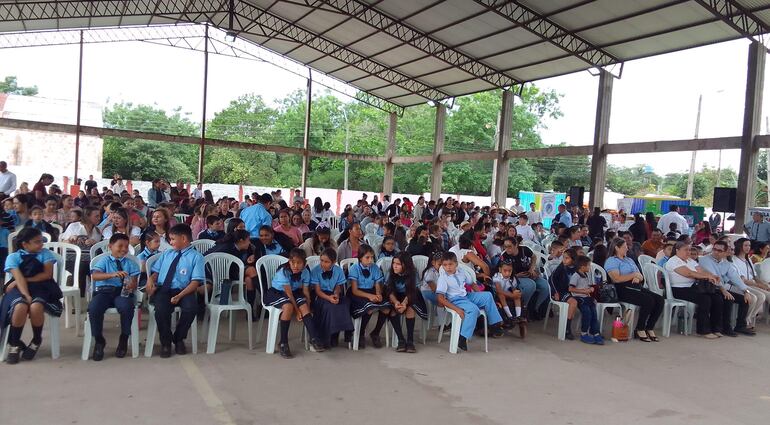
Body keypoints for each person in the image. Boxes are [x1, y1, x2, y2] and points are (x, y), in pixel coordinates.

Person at [1, 228, 62, 364]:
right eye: (37, 242)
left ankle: (36, 339)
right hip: (19, 288)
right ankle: (14, 344)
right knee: (20, 306)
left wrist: (22, 280)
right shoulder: (13, 257)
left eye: (41, 241)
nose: (41, 244)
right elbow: (18, 277)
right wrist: (26, 294)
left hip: (42, 286)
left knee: (36, 306)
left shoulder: (45, 254)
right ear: (25, 244)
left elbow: (46, 275)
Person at [145, 224, 205, 357]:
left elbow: (195, 282)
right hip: (164, 289)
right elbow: (156, 271)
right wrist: (150, 279)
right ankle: (166, 342)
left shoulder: (196, 257)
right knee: (160, 310)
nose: (170, 242)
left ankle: (178, 338)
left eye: (172, 239)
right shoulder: (167, 254)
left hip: (185, 290)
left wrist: (179, 296)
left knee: (191, 309)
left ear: (183, 238)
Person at [262, 248, 324, 358]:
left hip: (295, 292)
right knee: (288, 306)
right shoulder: (283, 271)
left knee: (304, 305)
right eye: (292, 262)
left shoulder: (305, 272)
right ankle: (283, 342)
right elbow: (289, 294)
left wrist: (306, 308)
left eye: (299, 263)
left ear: (304, 264)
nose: (295, 265)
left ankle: (314, 338)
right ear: (289, 261)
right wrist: (297, 312)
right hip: (277, 293)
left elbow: (305, 291)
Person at [436, 251, 504, 351]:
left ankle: (495, 324)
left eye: (450, 264)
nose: (448, 267)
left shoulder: (461, 272)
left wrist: (479, 297)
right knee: (473, 309)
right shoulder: (443, 278)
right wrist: (457, 310)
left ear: (456, 264)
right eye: (445, 265)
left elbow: (472, 284)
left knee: (487, 296)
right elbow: (440, 298)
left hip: (466, 296)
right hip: (455, 300)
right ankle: (462, 338)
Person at [87, 233, 139, 360]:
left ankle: (124, 338)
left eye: (126, 246)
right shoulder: (103, 260)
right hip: (104, 292)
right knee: (94, 308)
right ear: (110, 246)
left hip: (122, 292)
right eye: (120, 246)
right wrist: (112, 275)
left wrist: (130, 285)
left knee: (126, 307)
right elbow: (95, 276)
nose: (123, 249)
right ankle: (99, 340)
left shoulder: (130, 263)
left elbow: (134, 282)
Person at [604, 238, 664, 342]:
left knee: (659, 300)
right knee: (648, 300)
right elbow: (617, 279)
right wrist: (633, 275)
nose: (627, 249)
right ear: (617, 248)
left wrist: (637, 277)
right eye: (624, 247)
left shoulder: (629, 260)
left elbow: (641, 276)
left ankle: (649, 327)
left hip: (636, 286)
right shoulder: (611, 261)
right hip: (622, 289)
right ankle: (640, 328)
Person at [665, 241, 725, 338]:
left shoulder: (689, 261)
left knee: (717, 298)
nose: (688, 252)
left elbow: (701, 270)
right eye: (685, 250)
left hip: (692, 287)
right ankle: (703, 330)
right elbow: (689, 273)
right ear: (677, 250)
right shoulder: (673, 261)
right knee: (705, 299)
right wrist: (707, 277)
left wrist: (712, 275)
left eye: (689, 250)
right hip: (678, 289)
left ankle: (716, 328)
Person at [698, 240, 755, 336]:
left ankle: (740, 326)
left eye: (719, 251)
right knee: (728, 299)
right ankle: (725, 327)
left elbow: (735, 278)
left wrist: (745, 291)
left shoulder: (726, 263)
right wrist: (724, 290)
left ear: (725, 253)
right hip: (709, 288)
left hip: (720, 289)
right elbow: (713, 276)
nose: (716, 252)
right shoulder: (704, 260)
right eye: (714, 249)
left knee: (744, 300)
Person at [348, 244, 391, 349]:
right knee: (370, 308)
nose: (370, 260)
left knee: (386, 308)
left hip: (371, 291)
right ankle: (361, 333)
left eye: (372, 257)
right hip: (358, 293)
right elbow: (354, 290)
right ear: (360, 258)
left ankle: (375, 332)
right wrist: (370, 296)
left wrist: (378, 294)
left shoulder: (375, 268)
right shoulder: (355, 268)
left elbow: (377, 284)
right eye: (367, 257)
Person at [310, 248, 353, 349]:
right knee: (329, 306)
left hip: (332, 293)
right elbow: (317, 291)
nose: (323, 263)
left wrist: (336, 294)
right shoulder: (316, 270)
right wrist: (329, 298)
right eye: (321, 260)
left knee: (345, 303)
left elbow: (338, 286)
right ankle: (326, 337)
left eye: (326, 262)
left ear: (333, 262)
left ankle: (338, 333)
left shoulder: (338, 270)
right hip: (320, 295)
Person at [386, 252, 427, 353]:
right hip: (395, 296)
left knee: (410, 309)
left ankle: (410, 340)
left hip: (410, 296)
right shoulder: (390, 272)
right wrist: (396, 302)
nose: (394, 266)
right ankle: (401, 339)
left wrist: (404, 303)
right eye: (393, 263)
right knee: (393, 311)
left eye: (398, 264)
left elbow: (412, 291)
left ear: (406, 265)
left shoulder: (413, 273)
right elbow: (389, 291)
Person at [500, 237, 550, 318]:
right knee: (531, 285)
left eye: (509, 246)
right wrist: (516, 275)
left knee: (545, 286)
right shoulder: (504, 256)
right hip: (514, 277)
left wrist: (532, 269)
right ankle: (523, 308)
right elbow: (503, 273)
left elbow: (534, 257)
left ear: (516, 245)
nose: (507, 249)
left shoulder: (524, 250)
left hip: (528, 274)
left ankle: (535, 308)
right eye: (505, 247)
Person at [733, 238, 770, 329]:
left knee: (766, 294)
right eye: (745, 245)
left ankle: (749, 318)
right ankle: (745, 320)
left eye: (749, 245)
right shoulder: (734, 260)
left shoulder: (748, 260)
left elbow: (755, 276)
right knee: (760, 296)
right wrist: (759, 285)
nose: (748, 247)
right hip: (742, 285)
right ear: (739, 246)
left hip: (751, 284)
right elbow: (743, 280)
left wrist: (765, 285)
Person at [569, 256, 604, 345]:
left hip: (587, 297)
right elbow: (571, 289)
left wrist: (590, 290)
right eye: (588, 265)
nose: (590, 267)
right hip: (580, 298)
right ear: (582, 266)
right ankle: (584, 333)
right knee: (587, 313)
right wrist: (584, 291)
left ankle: (595, 332)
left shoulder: (586, 275)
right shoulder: (576, 276)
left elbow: (585, 286)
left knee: (594, 314)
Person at [549, 247, 579, 340]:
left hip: (573, 292)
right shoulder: (562, 267)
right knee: (573, 303)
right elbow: (551, 279)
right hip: (561, 292)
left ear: (573, 259)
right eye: (564, 258)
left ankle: (589, 329)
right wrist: (555, 292)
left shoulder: (577, 268)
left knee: (587, 302)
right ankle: (567, 328)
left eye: (567, 258)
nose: (564, 260)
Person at [492, 259, 527, 338]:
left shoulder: (512, 278)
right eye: (505, 271)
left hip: (508, 293)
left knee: (517, 295)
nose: (507, 273)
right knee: (502, 295)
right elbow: (499, 290)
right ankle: (510, 316)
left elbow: (513, 289)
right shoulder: (497, 277)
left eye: (509, 271)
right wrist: (512, 295)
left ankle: (518, 316)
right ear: (500, 269)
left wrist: (515, 294)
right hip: (498, 295)